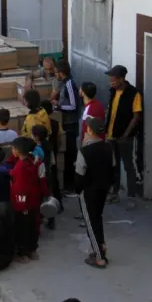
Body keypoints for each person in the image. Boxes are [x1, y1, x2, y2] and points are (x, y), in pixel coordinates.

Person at [75, 117, 114, 269]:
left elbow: (79, 175)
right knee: (97, 218)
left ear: (89, 131)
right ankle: (101, 247)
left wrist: (78, 191)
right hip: (103, 189)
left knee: (90, 223)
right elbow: (113, 170)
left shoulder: (84, 151)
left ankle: (99, 257)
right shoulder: (108, 147)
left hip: (88, 191)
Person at [105, 65, 142, 207]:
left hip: (125, 138)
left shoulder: (134, 94)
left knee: (128, 166)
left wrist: (126, 135)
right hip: (111, 135)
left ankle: (131, 196)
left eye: (113, 80)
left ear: (121, 79)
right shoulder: (113, 91)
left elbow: (136, 116)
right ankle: (114, 193)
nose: (111, 82)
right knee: (113, 166)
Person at [10, 137, 42, 262]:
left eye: (12, 148)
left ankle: (23, 253)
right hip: (33, 201)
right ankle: (32, 250)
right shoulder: (31, 162)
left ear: (17, 151)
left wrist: (22, 206)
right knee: (32, 227)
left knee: (22, 229)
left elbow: (20, 189)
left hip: (22, 204)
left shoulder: (20, 168)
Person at [54, 59, 81, 192]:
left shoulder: (70, 84)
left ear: (61, 72)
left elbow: (74, 105)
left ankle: (72, 185)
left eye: (56, 72)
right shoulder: (64, 83)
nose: (55, 74)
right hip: (66, 123)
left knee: (70, 154)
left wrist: (58, 106)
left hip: (70, 124)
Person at [31, 124, 54, 231]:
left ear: (36, 137)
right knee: (48, 197)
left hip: (40, 176)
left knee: (40, 198)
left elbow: (35, 163)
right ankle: (51, 220)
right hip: (49, 174)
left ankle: (39, 218)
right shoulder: (49, 145)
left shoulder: (37, 149)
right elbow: (53, 161)